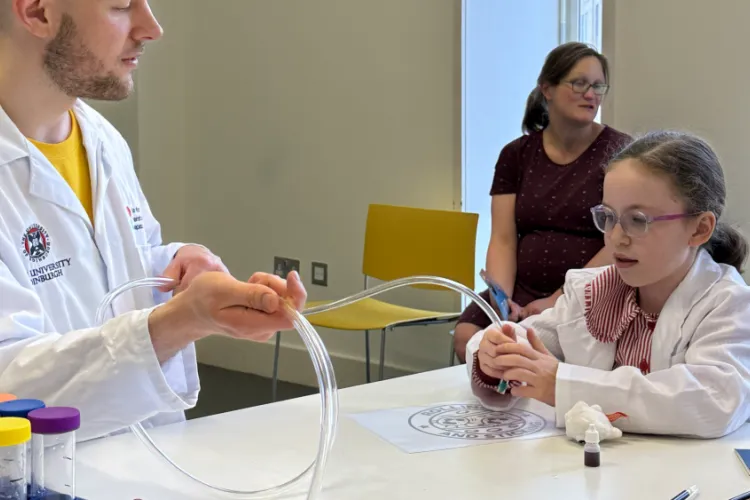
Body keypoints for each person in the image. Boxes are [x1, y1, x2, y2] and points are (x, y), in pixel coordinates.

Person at [0, 0, 306, 441]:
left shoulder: (102, 140)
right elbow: (12, 394)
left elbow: (112, 270)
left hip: (146, 460)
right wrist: (180, 322)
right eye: (122, 6)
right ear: (37, 12)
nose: (152, 28)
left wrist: (178, 263)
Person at [467, 131, 750, 439]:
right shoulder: (593, 291)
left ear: (699, 229)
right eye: (608, 217)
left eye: (638, 220)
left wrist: (562, 384)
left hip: (688, 480)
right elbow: (530, 336)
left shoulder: (728, 304)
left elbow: (712, 400)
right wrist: (498, 353)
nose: (616, 237)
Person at [453, 42, 631, 363]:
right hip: (522, 291)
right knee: (468, 337)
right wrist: (503, 300)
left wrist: (558, 298)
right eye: (579, 83)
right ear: (546, 89)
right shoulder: (515, 155)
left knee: (528, 352)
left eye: (598, 86)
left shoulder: (622, 154)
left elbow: (619, 242)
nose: (591, 94)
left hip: (587, 295)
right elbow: (504, 239)